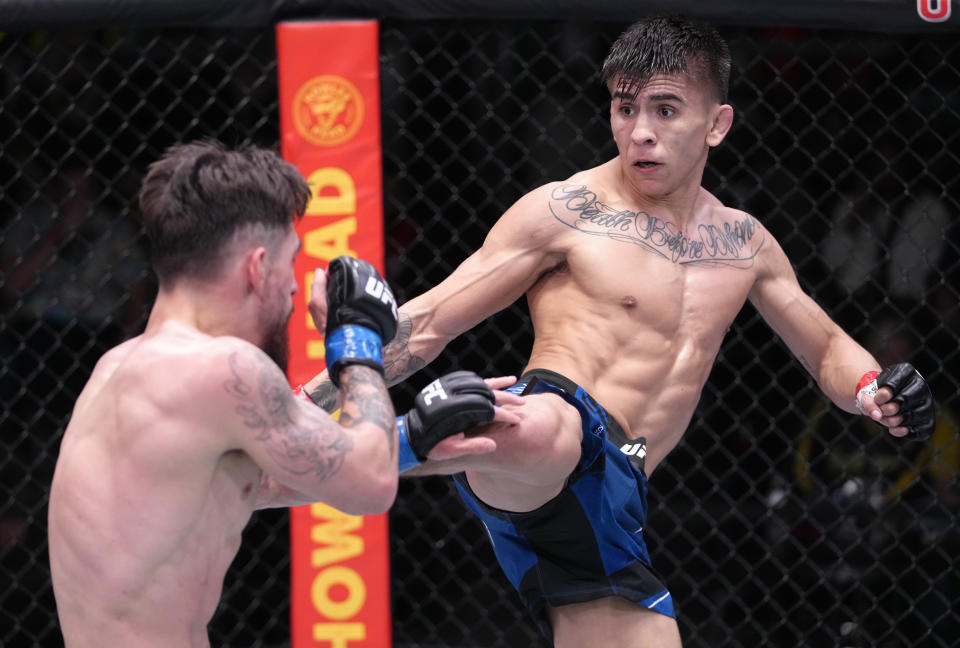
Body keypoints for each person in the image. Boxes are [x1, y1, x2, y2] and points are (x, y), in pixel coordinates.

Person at [302, 16, 936, 648]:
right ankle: (349, 448)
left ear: (717, 124)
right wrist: (318, 388)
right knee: (537, 423)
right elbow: (432, 321)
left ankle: (330, 452)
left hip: (608, 505)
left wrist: (871, 390)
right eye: (625, 108)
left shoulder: (745, 243)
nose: (640, 133)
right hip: (549, 436)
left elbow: (823, 345)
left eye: (665, 110)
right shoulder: (566, 211)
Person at [47, 141, 521, 648]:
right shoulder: (221, 367)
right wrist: (355, 338)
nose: (296, 289)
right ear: (257, 267)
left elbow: (258, 483)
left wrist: (414, 439)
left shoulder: (120, 367)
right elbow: (369, 486)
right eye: (291, 262)